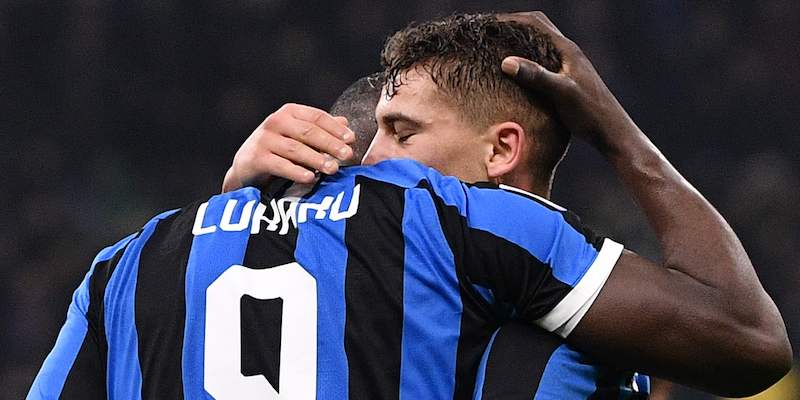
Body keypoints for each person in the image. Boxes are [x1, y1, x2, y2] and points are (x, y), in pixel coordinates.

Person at [221, 11, 792, 397]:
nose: (370, 164)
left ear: (501, 149)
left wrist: (614, 130)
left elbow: (751, 342)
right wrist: (239, 199)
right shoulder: (368, 268)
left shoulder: (574, 300)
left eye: (402, 133)